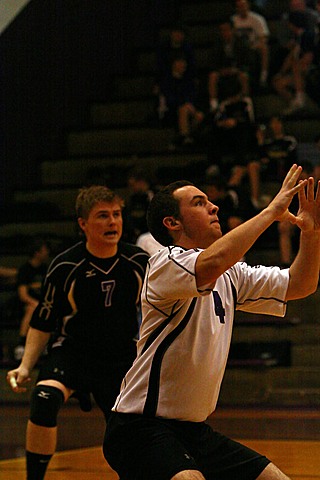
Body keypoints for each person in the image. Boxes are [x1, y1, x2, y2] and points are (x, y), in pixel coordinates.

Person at [103, 164, 320, 480]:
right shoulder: (164, 263)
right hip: (139, 427)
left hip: (193, 431)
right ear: (172, 223)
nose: (214, 206)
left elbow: (300, 284)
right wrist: (272, 211)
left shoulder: (231, 274)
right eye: (199, 202)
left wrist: (311, 232)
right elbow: (213, 261)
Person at [6, 185, 149, 480]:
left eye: (116, 215)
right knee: (44, 398)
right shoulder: (65, 266)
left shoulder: (139, 262)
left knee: (128, 432)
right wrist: (24, 366)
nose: (112, 222)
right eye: (102, 216)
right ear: (83, 224)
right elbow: (43, 321)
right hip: (73, 353)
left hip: (121, 358)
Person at [248, 115, 298, 208]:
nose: (275, 125)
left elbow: (288, 155)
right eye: (273, 123)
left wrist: (272, 157)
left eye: (277, 122)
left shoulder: (289, 141)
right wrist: (260, 141)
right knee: (252, 165)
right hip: (267, 169)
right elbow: (260, 157)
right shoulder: (268, 143)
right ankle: (254, 199)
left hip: (282, 169)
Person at [13, 238, 50, 361]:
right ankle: (21, 344)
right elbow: (23, 295)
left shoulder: (46, 269)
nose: (47, 253)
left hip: (44, 303)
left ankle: (44, 344)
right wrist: (37, 304)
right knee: (32, 309)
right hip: (27, 304)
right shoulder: (25, 270)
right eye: (44, 250)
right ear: (37, 253)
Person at [207, 19, 253, 112]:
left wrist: (237, 70)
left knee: (244, 76)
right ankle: (213, 104)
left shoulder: (241, 43)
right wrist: (221, 70)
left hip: (238, 71)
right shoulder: (217, 44)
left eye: (227, 30)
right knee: (212, 76)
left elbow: (248, 62)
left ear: (233, 30)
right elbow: (212, 63)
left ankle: (245, 99)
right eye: (222, 30)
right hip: (222, 72)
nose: (225, 33)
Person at [231, 0, 270, 88]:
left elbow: (263, 37)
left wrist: (254, 45)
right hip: (239, 46)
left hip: (254, 45)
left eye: (243, 5)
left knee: (264, 48)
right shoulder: (233, 20)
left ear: (248, 6)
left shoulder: (258, 19)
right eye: (239, 6)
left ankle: (263, 75)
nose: (242, 8)